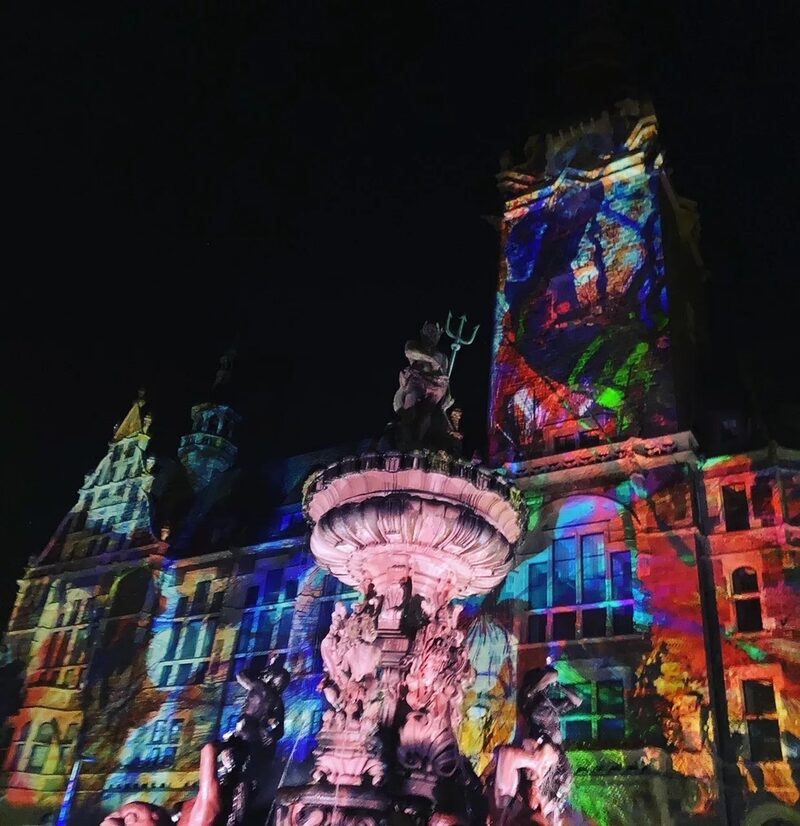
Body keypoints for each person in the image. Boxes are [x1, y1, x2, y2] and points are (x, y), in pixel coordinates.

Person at [100, 743, 221, 826]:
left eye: (119, 816)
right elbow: (208, 802)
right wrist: (208, 749)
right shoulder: (193, 822)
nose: (129, 817)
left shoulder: (177, 814)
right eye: (127, 821)